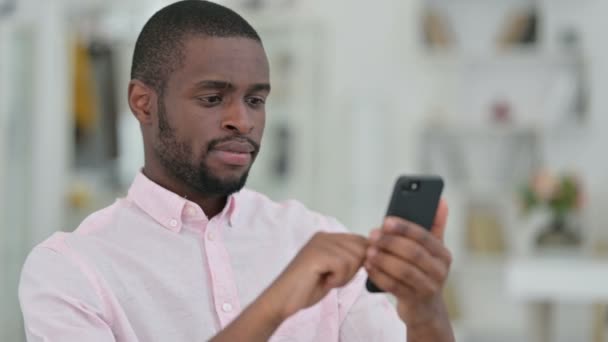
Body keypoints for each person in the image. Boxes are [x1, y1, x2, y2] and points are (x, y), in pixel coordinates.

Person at [19, 1, 454, 341]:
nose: (242, 121)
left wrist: (425, 310)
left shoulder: (313, 235)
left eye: (256, 100)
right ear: (143, 102)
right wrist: (273, 307)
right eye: (212, 98)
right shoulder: (70, 270)